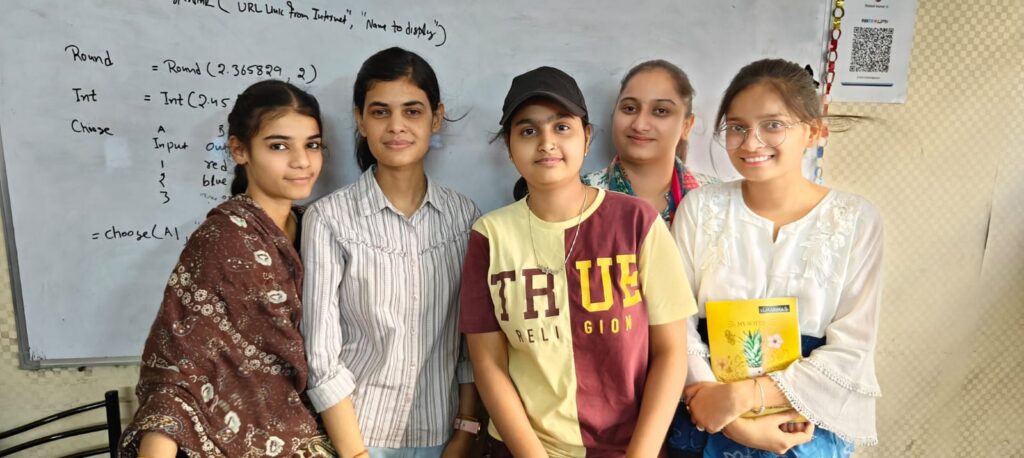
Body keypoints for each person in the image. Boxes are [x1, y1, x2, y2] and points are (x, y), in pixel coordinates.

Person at [460, 66, 696, 457]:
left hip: (630, 448)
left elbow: (672, 352)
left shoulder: (637, 222)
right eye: (528, 131)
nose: (546, 143)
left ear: (586, 138)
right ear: (509, 147)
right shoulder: (489, 235)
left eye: (562, 127)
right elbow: (488, 364)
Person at [667, 58, 883, 457]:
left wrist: (747, 396)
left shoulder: (855, 219)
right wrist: (722, 409)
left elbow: (853, 347)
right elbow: (676, 322)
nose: (751, 143)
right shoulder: (701, 207)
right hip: (705, 406)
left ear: (814, 131)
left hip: (804, 417)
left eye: (773, 125)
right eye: (737, 127)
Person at [121, 79, 332, 457]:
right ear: (239, 150)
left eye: (312, 145)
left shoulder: (317, 228)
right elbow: (178, 372)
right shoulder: (222, 240)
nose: (302, 161)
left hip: (322, 430)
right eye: (279, 146)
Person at [301, 47, 481, 458]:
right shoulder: (328, 218)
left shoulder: (464, 218)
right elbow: (322, 355)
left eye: (412, 111)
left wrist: (465, 431)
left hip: (442, 435)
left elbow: (469, 344)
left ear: (436, 117)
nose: (396, 126)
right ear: (360, 119)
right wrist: (356, 453)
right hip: (357, 435)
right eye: (380, 112)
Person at [582, 60, 716, 226]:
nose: (640, 125)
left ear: (686, 126)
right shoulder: (579, 197)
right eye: (630, 108)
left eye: (661, 111)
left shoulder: (719, 200)